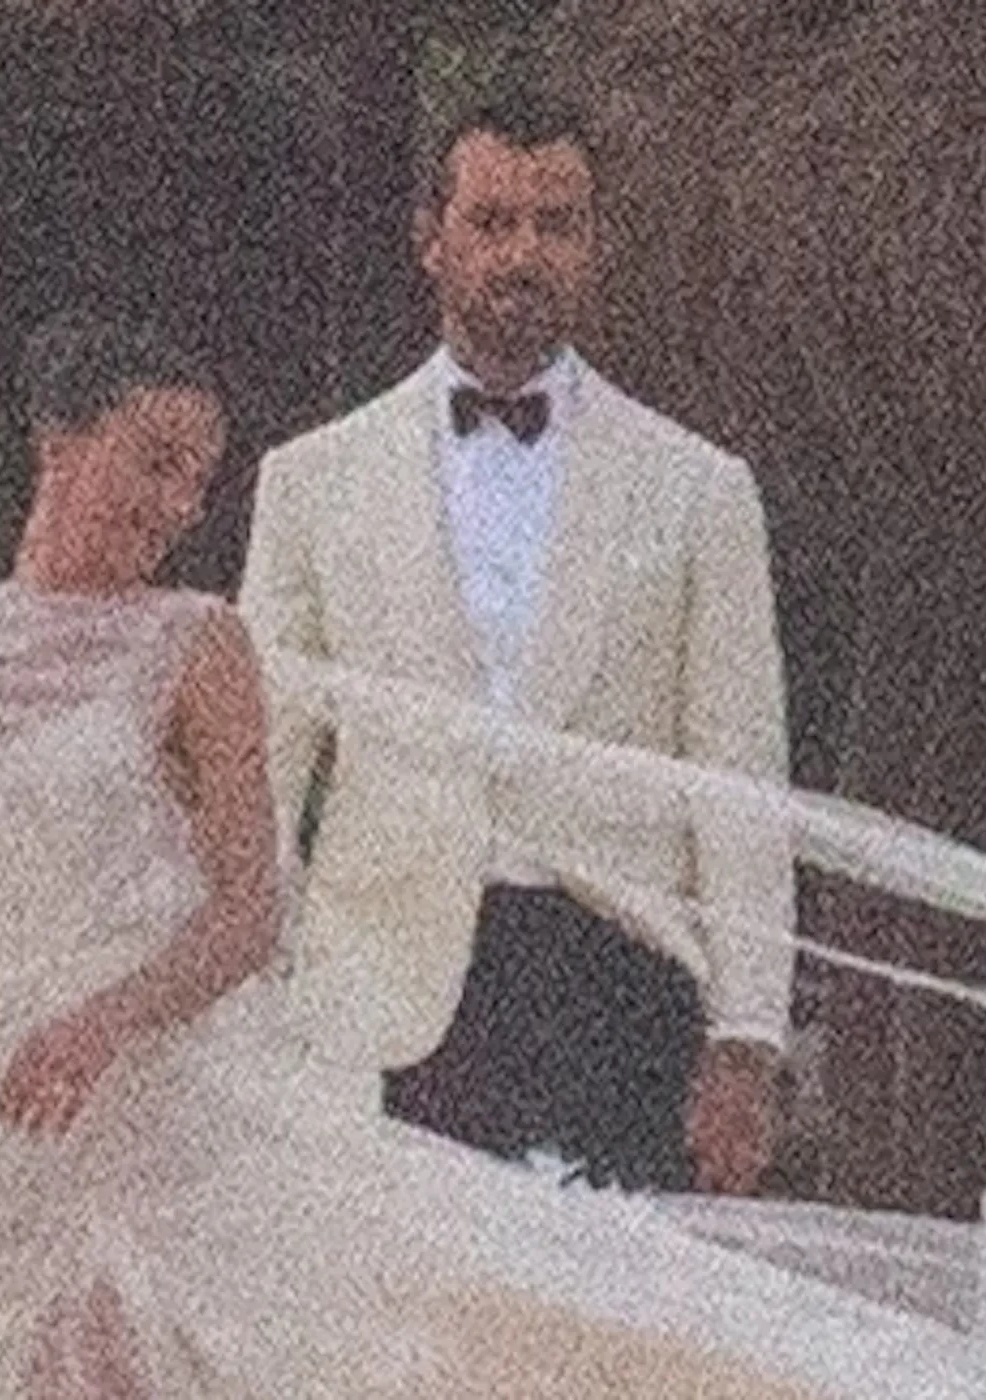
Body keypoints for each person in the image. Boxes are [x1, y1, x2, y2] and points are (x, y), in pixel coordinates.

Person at [0, 314, 986, 1396]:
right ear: (58, 443)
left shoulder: (196, 646)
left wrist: (106, 1018)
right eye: (152, 463)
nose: (177, 505)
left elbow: (248, 910)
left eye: (199, 479)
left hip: (156, 1101)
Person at [239, 88, 792, 1193]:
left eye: (557, 224)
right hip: (381, 995)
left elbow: (740, 780)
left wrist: (748, 1033)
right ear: (430, 239)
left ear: (596, 246)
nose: (524, 254)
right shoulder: (311, 481)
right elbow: (261, 767)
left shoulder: (701, 489)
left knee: (610, 1303)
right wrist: (257, 1000)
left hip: (620, 987)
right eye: (492, 222)